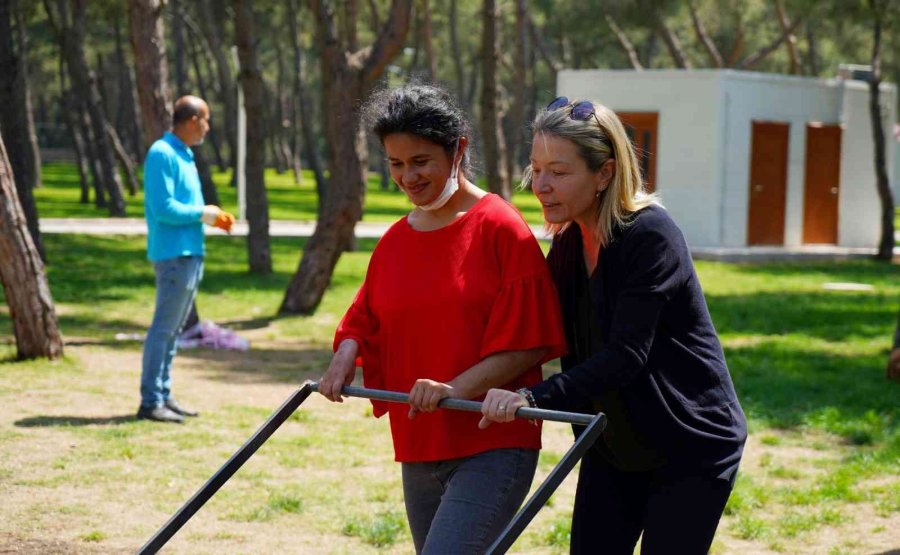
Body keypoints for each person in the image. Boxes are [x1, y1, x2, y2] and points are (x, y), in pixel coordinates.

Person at [480, 96, 748, 554]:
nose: (541, 186)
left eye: (559, 172)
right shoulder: (568, 243)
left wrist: (531, 397)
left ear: (604, 174)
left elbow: (626, 356)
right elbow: (534, 327)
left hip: (690, 442)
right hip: (613, 441)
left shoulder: (650, 236)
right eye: (536, 169)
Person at [317, 84, 567, 554]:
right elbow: (365, 316)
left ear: (458, 150)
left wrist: (454, 388)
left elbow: (531, 342)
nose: (407, 177)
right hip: (419, 443)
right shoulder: (395, 240)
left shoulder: (501, 227)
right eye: (395, 164)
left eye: (420, 161)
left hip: (491, 442)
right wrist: (346, 351)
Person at [138, 95, 235, 423]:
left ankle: (163, 395)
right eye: (205, 120)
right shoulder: (162, 153)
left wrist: (211, 218)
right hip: (173, 256)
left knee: (174, 330)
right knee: (164, 329)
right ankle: (150, 401)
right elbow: (163, 208)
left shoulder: (184, 154)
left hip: (191, 254)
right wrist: (203, 213)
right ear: (193, 121)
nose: (207, 127)